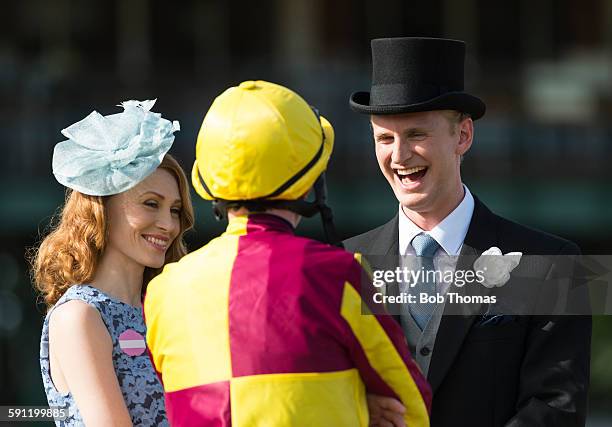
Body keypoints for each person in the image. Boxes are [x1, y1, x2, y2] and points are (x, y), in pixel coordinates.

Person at [144, 80, 431, 426]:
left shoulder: (164, 290)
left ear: (208, 183)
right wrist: (358, 405)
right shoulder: (338, 275)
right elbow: (411, 406)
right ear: (309, 179)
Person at [345, 37, 591, 427]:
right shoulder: (341, 264)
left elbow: (556, 408)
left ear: (463, 136)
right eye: (385, 138)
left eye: (416, 135)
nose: (398, 155)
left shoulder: (555, 264)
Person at [32, 99, 194, 426]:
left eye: (175, 210)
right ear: (103, 207)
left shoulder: (166, 311)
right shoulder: (80, 316)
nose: (169, 224)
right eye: (151, 204)